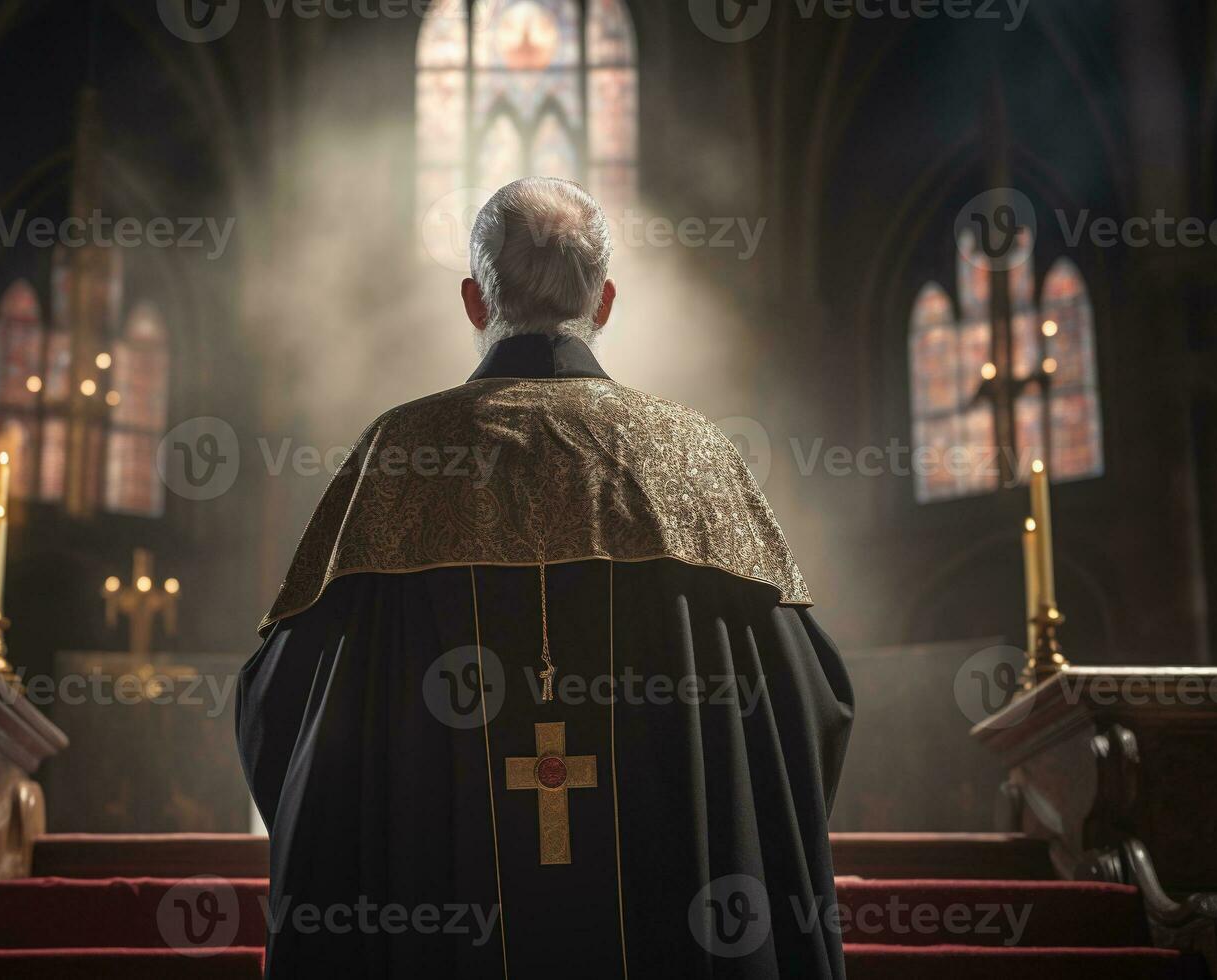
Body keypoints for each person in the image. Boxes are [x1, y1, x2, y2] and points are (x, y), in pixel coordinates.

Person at [237, 176, 854, 979]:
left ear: (471, 299)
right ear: (603, 302)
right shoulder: (695, 457)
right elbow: (810, 704)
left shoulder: (398, 457)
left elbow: (282, 707)